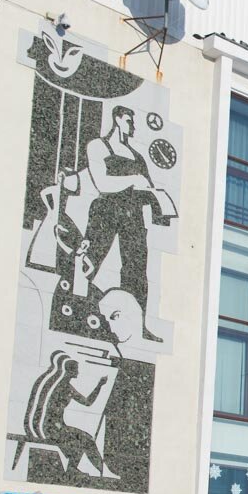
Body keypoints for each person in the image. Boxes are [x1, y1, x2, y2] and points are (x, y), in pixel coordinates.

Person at [85, 105, 172, 342]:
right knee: (92, 259)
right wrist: (133, 180)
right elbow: (102, 183)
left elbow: (147, 189)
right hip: (106, 210)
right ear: (117, 119)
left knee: (137, 272)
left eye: (133, 123)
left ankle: (139, 325)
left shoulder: (137, 156)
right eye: (129, 121)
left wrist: (159, 204)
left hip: (133, 216)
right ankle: (81, 311)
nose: (132, 127)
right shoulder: (98, 146)